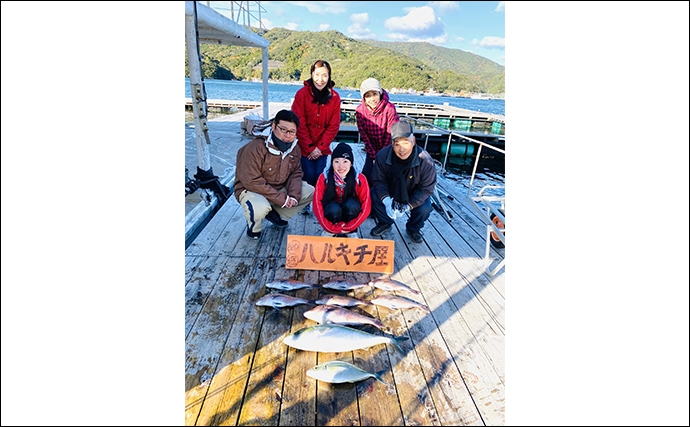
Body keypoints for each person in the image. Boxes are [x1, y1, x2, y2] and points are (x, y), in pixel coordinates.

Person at [233, 110, 314, 239]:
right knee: (259, 208)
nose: (287, 135)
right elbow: (251, 181)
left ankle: (274, 213)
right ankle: (254, 228)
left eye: (292, 131)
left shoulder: (295, 148)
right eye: (283, 129)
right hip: (251, 190)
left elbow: (295, 174)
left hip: (277, 188)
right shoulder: (254, 148)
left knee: (310, 191)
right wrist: (281, 199)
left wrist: (292, 196)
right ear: (273, 126)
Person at [369, 121, 436, 243]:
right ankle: (385, 222)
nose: (402, 149)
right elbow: (378, 181)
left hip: (414, 192)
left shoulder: (425, 160)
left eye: (406, 142)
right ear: (392, 144)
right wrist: (386, 200)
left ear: (413, 141)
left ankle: (413, 228)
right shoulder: (382, 156)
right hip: (391, 189)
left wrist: (409, 206)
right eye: (397, 144)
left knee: (425, 208)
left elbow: (426, 189)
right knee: (373, 194)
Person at [291, 59, 342, 189]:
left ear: (329, 76)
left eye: (325, 75)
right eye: (317, 74)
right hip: (303, 146)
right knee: (307, 175)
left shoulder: (335, 97)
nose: (321, 79)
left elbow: (333, 126)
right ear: (312, 74)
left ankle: (317, 204)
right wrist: (310, 148)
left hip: (322, 149)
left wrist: (319, 148)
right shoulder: (302, 94)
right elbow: (299, 123)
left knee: (320, 176)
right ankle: (304, 205)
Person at [313, 143, 371, 238]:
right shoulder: (324, 178)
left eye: (345, 161)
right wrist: (329, 227)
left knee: (352, 204)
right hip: (332, 214)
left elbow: (366, 206)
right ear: (332, 163)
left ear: (351, 163)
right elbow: (316, 204)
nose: (341, 166)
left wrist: (350, 227)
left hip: (350, 217)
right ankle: (330, 232)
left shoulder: (360, 179)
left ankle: (351, 232)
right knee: (333, 208)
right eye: (336, 161)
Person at [355, 77, 399, 183]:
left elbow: (391, 134)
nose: (372, 98)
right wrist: (373, 155)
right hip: (372, 149)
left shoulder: (389, 108)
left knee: (386, 178)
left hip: (389, 149)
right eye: (368, 95)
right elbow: (364, 135)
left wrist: (381, 156)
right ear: (364, 97)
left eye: (374, 94)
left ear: (380, 93)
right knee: (366, 178)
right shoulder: (360, 111)